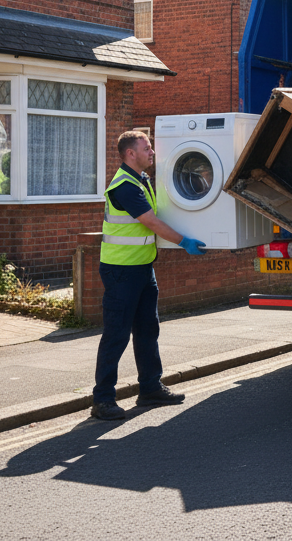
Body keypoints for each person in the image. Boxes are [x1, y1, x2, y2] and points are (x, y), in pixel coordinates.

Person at [90, 130, 207, 421]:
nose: (152, 151)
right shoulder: (125, 186)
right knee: (116, 335)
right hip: (121, 272)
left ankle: (150, 388)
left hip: (142, 268)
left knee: (147, 329)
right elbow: (150, 222)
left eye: (151, 147)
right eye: (147, 147)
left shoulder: (142, 181)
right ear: (131, 153)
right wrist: (184, 241)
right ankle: (103, 400)